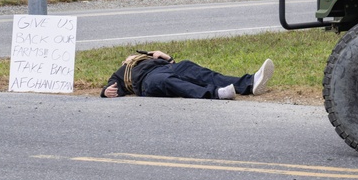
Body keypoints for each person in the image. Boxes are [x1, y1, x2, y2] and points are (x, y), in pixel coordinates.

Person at [101, 50, 274, 100]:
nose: (131, 57)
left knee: (197, 71)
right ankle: (216, 93)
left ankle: (250, 83)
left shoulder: (148, 57)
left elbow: (173, 64)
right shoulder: (122, 72)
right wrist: (105, 92)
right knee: (170, 82)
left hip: (168, 68)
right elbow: (110, 86)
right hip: (148, 80)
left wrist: (167, 57)